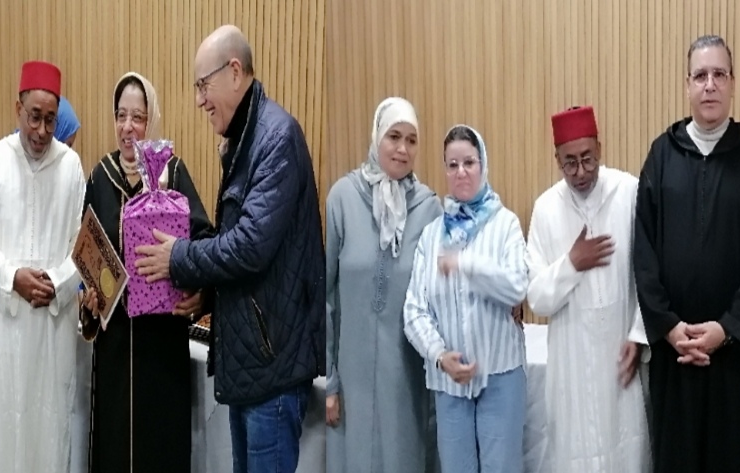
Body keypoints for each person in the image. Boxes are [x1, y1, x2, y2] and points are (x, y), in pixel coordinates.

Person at [134, 25, 325, 473]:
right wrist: (207, 296)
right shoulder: (246, 138)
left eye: (204, 85)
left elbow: (250, 246)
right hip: (253, 362)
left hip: (272, 367)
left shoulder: (276, 138)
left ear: (235, 72)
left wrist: (178, 259)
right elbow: (247, 255)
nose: (199, 100)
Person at [633, 35, 740, 473]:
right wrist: (668, 326)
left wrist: (728, 328)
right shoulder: (662, 155)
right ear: (687, 85)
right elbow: (643, 250)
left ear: (733, 83)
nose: (710, 84)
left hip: (733, 360)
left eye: (719, 74)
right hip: (674, 355)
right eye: (700, 75)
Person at [77, 72, 213, 473]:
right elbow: (87, 256)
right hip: (115, 350)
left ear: (151, 120)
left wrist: (200, 294)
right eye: (121, 116)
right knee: (115, 448)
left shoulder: (173, 174)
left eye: (137, 117)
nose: (128, 127)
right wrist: (88, 300)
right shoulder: (100, 178)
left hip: (162, 349)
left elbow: (204, 241)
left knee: (160, 447)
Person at [0, 90, 84, 473]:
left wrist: (57, 282)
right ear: (18, 109)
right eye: (34, 117)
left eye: (50, 120)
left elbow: (82, 245)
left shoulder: (71, 167)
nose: (42, 130)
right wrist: (11, 278)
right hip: (1, 334)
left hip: (50, 336)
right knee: (0, 433)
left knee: (47, 433)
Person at [525, 105, 650, 472]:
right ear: (557, 160)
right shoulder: (546, 209)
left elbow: (651, 274)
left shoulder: (628, 193)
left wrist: (638, 335)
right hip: (572, 362)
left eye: (587, 159)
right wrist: (571, 264)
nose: (580, 172)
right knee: (575, 452)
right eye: (569, 163)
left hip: (618, 351)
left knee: (625, 449)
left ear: (600, 148)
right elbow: (536, 297)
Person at [325, 97, 443, 472]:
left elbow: (438, 301)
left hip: (406, 382)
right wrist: (331, 382)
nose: (402, 149)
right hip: (351, 379)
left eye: (411, 140)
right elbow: (327, 298)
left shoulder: (429, 208)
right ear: (377, 137)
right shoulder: (343, 198)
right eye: (394, 136)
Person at [403, 124, 529, 473]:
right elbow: (414, 309)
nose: (461, 172)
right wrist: (439, 355)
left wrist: (466, 264)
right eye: (452, 164)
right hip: (448, 380)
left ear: (482, 164)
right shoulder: (431, 236)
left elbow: (517, 286)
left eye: (469, 163)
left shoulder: (505, 225)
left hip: (501, 373)